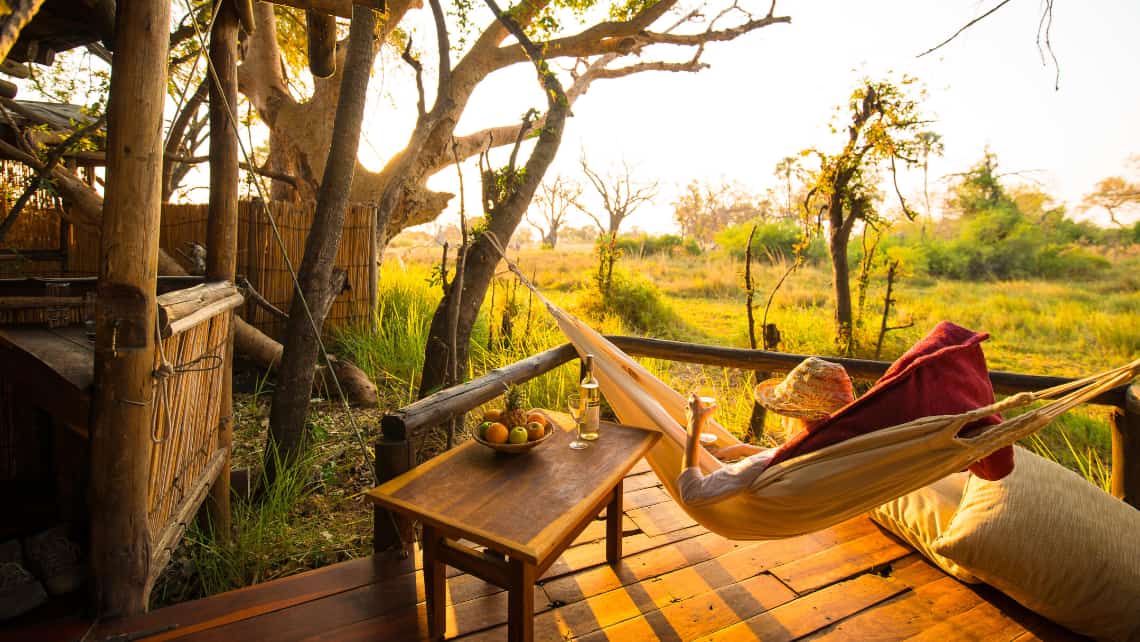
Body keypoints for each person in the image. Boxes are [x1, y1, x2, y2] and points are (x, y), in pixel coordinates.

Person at [678, 357, 855, 506]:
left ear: (793, 416)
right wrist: (744, 449)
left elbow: (692, 493)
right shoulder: (845, 446)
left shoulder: (759, 465)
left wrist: (694, 427)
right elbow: (794, 456)